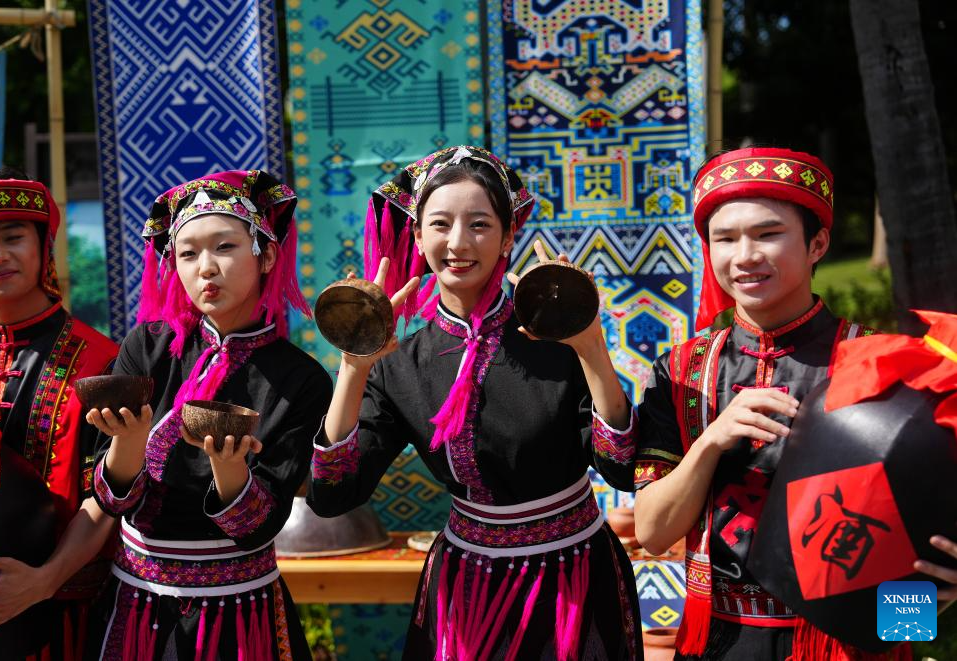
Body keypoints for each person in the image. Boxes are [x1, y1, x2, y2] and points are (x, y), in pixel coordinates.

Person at [309, 145, 643, 660]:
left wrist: (592, 348)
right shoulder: (401, 362)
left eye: (480, 225)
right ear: (418, 237)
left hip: (572, 579)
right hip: (464, 586)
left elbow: (622, 469)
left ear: (510, 235)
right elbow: (333, 494)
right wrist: (355, 368)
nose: (458, 243)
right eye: (440, 225)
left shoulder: (556, 343)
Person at [630, 147, 909, 660]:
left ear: (818, 243)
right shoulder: (680, 373)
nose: (744, 256)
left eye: (767, 234)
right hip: (719, 637)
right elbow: (652, 531)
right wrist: (711, 441)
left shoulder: (881, 364)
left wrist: (908, 624)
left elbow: (919, 520)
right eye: (725, 238)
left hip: (845, 641)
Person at [84, 170, 329, 660]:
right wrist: (126, 446)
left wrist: (231, 470)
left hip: (240, 614)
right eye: (188, 254)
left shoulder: (301, 380)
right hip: (137, 606)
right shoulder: (148, 348)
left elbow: (262, 523)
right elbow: (109, 500)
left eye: (224, 247)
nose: (206, 268)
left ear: (267, 254)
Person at [0, 168, 119, 659]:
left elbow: (113, 492)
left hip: (68, 613)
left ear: (44, 244)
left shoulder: (104, 363)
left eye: (14, 236)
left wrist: (43, 582)